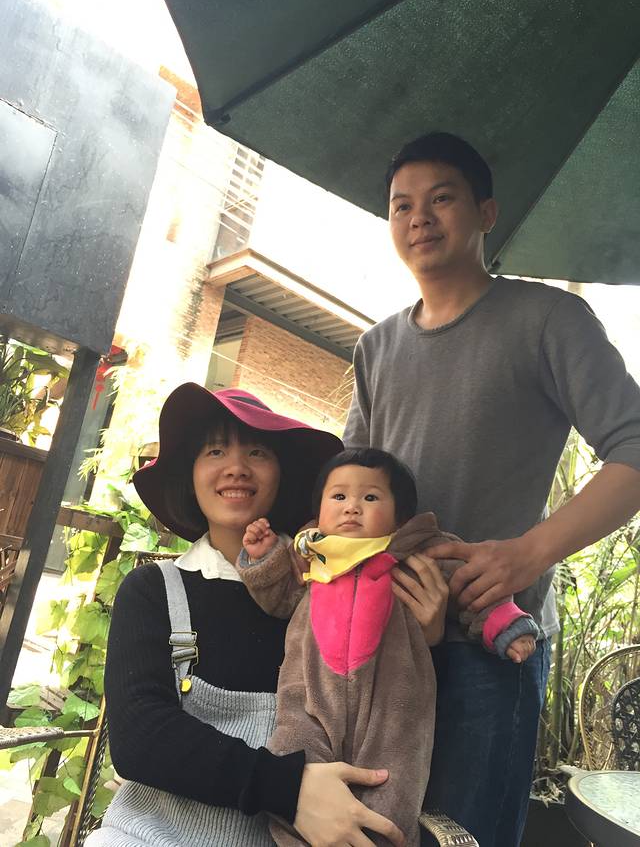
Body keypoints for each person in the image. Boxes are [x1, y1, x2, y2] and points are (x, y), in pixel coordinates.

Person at [343, 132, 640, 846]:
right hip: (382, 641)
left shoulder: (549, 320)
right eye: (401, 205)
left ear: (486, 213)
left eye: (441, 198)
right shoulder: (375, 347)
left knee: (462, 836)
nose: (419, 217)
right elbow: (348, 483)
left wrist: (526, 554)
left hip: (491, 646)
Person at [87, 384, 414, 847]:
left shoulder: (328, 595)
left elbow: (386, 705)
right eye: (215, 450)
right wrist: (289, 789)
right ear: (190, 476)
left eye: (257, 452)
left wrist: (424, 632)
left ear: (284, 477)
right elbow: (139, 737)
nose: (236, 467)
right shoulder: (155, 590)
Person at [238, 447, 538, 847]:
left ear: (400, 517)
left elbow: (468, 584)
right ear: (319, 509)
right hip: (309, 698)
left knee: (391, 785)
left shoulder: (417, 556)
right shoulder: (309, 557)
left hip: (395, 704)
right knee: (293, 768)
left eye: (370, 497)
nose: (352, 507)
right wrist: (264, 559)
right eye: (339, 496)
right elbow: (279, 598)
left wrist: (505, 624)